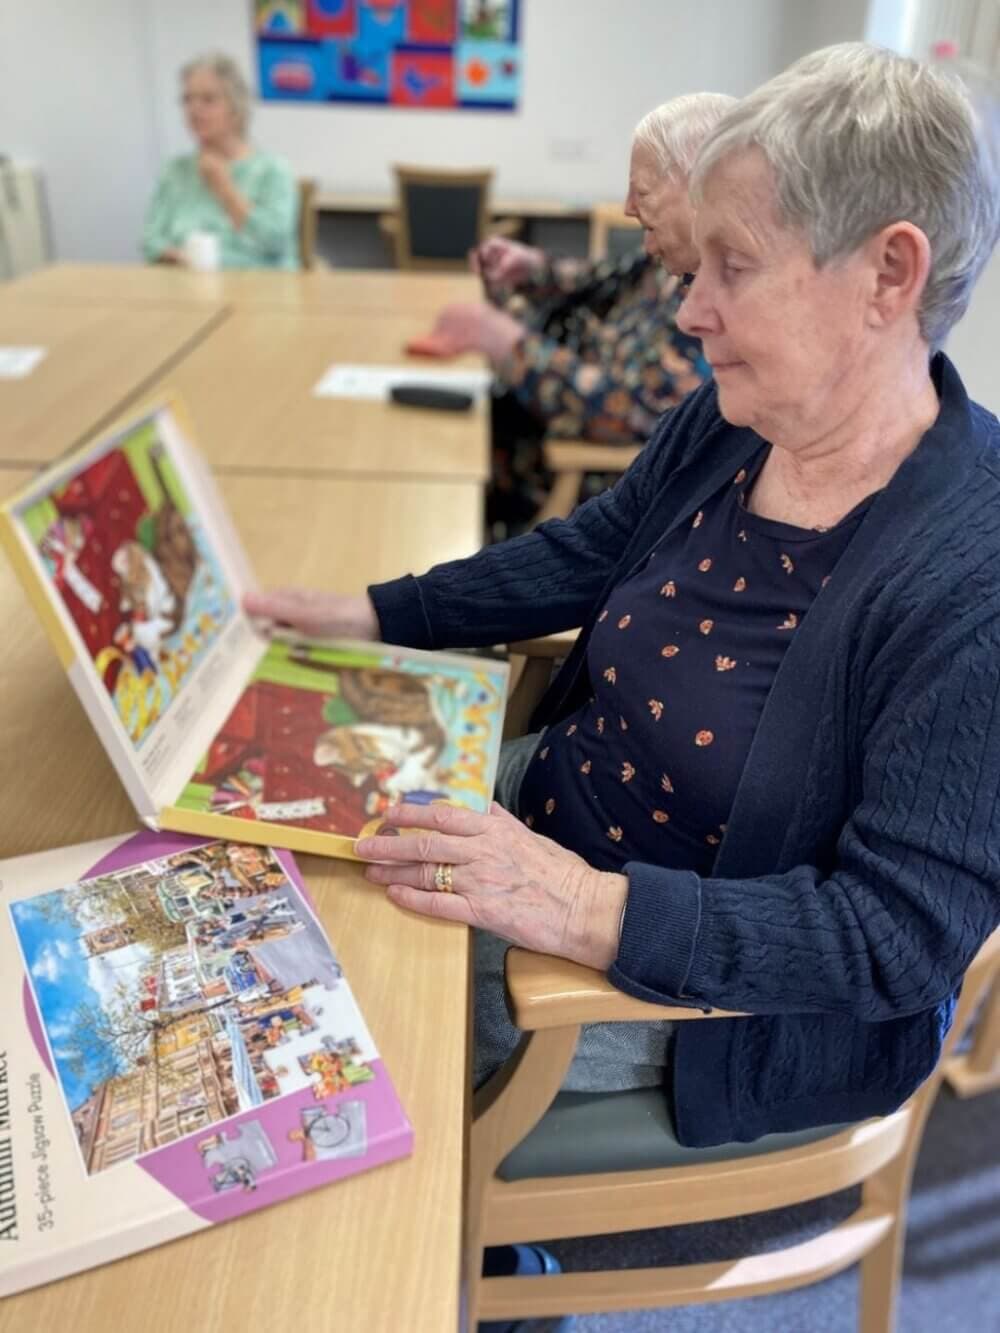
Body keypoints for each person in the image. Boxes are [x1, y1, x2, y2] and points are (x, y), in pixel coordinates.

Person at [247, 43, 1000, 1150]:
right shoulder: (736, 419)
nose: (689, 310)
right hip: (536, 823)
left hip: (674, 984)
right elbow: (586, 551)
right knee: (271, 864)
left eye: (730, 267)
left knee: (320, 1049)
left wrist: (574, 903)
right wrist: (374, 611)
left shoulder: (970, 575)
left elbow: (892, 939)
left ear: (888, 274)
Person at [419, 94, 734, 538]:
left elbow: (633, 413)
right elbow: (602, 279)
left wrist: (505, 341)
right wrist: (533, 267)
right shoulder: (670, 264)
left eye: (642, 191)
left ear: (706, 187)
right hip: (541, 438)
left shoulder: (720, 302)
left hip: (586, 486)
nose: (628, 206)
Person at [143, 53, 299, 271]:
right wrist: (176, 257)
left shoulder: (272, 170)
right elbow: (150, 242)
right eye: (187, 100)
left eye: (208, 99)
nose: (194, 110)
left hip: (259, 293)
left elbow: (274, 244)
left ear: (236, 107)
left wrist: (224, 188)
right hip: (185, 290)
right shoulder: (175, 170)